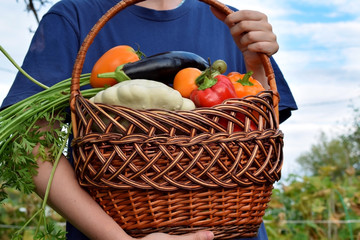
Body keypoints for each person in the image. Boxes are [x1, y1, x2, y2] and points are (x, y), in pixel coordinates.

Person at [1, 0, 297, 239]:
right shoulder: (73, 17)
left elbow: (258, 138)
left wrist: (256, 66)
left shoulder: (229, 21)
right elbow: (31, 150)